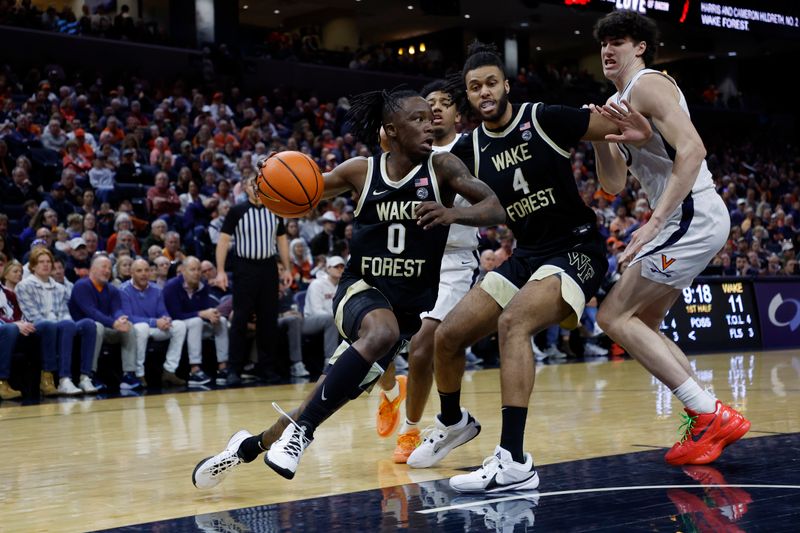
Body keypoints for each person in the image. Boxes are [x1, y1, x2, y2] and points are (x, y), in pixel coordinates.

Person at [192, 87, 505, 489]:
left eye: (432, 118)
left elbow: (495, 206)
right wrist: (269, 185)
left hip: (406, 308)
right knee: (381, 332)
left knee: (321, 399)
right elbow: (305, 190)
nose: (430, 125)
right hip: (361, 291)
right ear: (391, 130)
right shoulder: (361, 170)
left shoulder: (443, 167)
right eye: (419, 119)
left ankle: (247, 447)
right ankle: (302, 435)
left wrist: (451, 213)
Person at [404, 41, 651, 493]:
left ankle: (514, 460)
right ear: (469, 96)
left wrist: (641, 133)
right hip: (527, 255)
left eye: (491, 83)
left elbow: (615, 128)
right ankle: (453, 422)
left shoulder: (543, 117)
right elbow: (497, 209)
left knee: (513, 323)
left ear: (506, 84)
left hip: (576, 249)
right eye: (475, 87)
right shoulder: (473, 148)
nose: (484, 92)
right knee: (447, 335)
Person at [590, 10, 749, 466]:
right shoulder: (618, 99)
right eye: (603, 42)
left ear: (639, 47)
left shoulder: (648, 84)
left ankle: (708, 413)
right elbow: (614, 185)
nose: (607, 49)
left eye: (617, 41)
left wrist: (656, 220)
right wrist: (601, 138)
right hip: (690, 215)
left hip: (690, 211)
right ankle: (705, 417)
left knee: (613, 316)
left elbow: (694, 149)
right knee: (642, 324)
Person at [372, 79, 483, 463]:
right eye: (428, 104)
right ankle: (390, 391)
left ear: (457, 112)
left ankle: (411, 430)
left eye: (444, 103)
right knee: (374, 336)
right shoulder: (409, 148)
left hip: (452, 261)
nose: (436, 109)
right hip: (407, 258)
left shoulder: (470, 147)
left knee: (421, 349)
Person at [214, 174, 291, 386]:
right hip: (244, 268)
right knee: (239, 319)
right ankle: (234, 370)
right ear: (245, 189)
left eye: (259, 184)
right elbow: (223, 241)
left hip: (268, 268)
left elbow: (282, 240)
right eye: (252, 184)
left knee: (268, 320)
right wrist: (220, 270)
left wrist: (287, 268)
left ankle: (266, 368)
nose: (256, 187)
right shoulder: (236, 211)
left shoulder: (275, 210)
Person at [16, 248, 98, 395]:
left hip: (59, 324)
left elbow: (65, 313)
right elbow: (32, 316)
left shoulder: (60, 288)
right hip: (37, 326)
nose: (46, 265)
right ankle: (64, 379)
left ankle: (85, 376)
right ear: (33, 266)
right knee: (63, 325)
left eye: (48, 262)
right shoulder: (24, 286)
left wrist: (67, 323)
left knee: (88, 324)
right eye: (41, 262)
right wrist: (63, 324)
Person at [69, 255, 138, 390]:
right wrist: (114, 323)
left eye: (109, 268)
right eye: (103, 267)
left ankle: (128, 374)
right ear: (92, 269)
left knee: (129, 327)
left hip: (105, 327)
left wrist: (121, 319)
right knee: (97, 326)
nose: (107, 271)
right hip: (82, 328)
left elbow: (117, 309)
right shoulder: (81, 286)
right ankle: (90, 375)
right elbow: (92, 313)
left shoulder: (111, 289)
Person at [163, 256, 230, 387]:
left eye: (199, 269)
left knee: (221, 320)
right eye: (192, 269)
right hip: (177, 325)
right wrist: (201, 314)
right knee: (196, 321)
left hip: (196, 324)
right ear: (183, 271)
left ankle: (223, 367)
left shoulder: (203, 285)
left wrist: (211, 313)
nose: (197, 273)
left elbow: (204, 310)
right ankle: (195, 370)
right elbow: (174, 315)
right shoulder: (172, 286)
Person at [120, 259, 187, 388]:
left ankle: (169, 371)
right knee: (142, 327)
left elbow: (163, 311)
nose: (144, 274)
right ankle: (139, 373)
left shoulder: (157, 289)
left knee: (179, 325)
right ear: (132, 273)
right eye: (139, 271)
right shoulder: (124, 290)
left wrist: (166, 319)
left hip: (155, 327)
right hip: (138, 328)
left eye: (147, 270)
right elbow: (128, 317)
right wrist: (155, 322)